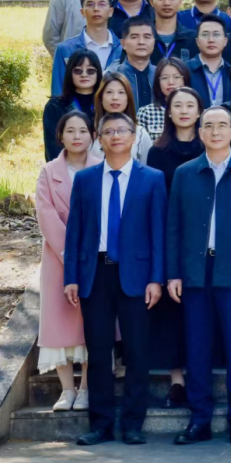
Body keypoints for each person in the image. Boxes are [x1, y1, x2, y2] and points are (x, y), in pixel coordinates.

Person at [167, 106, 231, 445]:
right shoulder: (185, 173)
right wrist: (173, 273)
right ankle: (200, 420)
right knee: (197, 350)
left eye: (222, 125)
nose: (215, 131)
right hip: (195, 273)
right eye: (208, 126)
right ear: (200, 132)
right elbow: (173, 226)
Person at [62, 112, 166, 446]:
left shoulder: (152, 178)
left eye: (122, 130)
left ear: (134, 136)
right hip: (95, 273)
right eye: (108, 131)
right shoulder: (86, 180)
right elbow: (75, 232)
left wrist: (156, 278)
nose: (116, 136)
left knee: (137, 352)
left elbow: (159, 232)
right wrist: (71, 276)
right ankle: (101, 425)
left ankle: (133, 424)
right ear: (99, 139)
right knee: (98, 352)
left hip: (137, 275)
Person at [145, 87, 205, 410]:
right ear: (168, 112)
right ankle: (177, 380)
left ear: (199, 111)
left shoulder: (211, 145)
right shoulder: (157, 152)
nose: (183, 110)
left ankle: (201, 375)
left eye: (189, 105)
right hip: (172, 237)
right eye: (177, 105)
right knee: (172, 312)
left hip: (207, 240)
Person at [36, 111, 98, 414]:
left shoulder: (102, 168)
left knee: (92, 324)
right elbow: (46, 216)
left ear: (92, 136)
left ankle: (85, 388)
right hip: (57, 258)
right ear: (60, 136)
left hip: (95, 259)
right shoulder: (48, 171)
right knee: (59, 321)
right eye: (70, 131)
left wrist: (86, 254)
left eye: (83, 130)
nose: (77, 136)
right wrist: (70, 255)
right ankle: (67, 389)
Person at [51, 0, 121, 97]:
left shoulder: (123, 49)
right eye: (90, 4)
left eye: (102, 4)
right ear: (82, 12)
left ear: (111, 11)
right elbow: (58, 91)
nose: (96, 9)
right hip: (75, 107)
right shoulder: (65, 49)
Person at [44, 50, 102, 161]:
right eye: (78, 70)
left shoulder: (105, 105)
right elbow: (53, 149)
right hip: (66, 168)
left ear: (98, 73)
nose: (84, 74)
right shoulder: (55, 107)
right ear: (70, 73)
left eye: (90, 71)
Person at [89, 73, 153, 162]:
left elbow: (146, 168)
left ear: (128, 99)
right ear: (101, 98)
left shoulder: (141, 134)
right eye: (109, 92)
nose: (115, 97)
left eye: (121, 92)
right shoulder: (90, 133)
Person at [107, 17, 158, 110]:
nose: (141, 42)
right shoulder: (112, 75)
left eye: (147, 37)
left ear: (154, 42)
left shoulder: (161, 75)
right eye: (134, 37)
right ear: (123, 43)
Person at [148, 0, 198, 65]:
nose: (167, 3)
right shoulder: (142, 39)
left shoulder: (193, 39)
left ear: (180, 0)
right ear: (151, 1)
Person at [136, 57, 191, 138]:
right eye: (165, 78)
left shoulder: (194, 111)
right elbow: (139, 144)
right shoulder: (146, 113)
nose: (171, 82)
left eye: (176, 77)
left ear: (185, 80)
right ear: (158, 82)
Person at [188, 16, 231, 108]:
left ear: (225, 41)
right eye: (205, 35)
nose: (211, 40)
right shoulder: (185, 70)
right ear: (197, 41)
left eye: (216, 35)